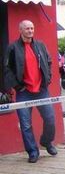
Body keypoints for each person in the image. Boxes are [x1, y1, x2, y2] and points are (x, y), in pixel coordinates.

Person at [3, 20, 57, 163]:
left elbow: (49, 61)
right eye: (27, 28)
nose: (30, 31)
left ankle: (47, 142)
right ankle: (33, 151)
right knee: (26, 124)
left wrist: (48, 78)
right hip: (24, 92)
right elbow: (7, 70)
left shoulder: (40, 45)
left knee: (50, 119)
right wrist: (18, 87)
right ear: (20, 30)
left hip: (41, 90)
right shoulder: (13, 48)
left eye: (32, 28)